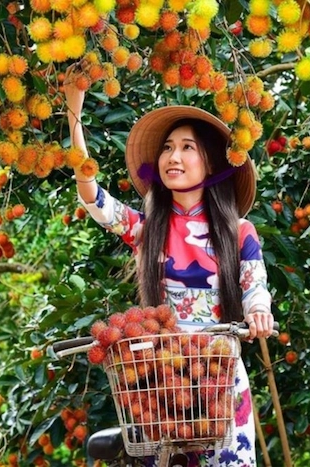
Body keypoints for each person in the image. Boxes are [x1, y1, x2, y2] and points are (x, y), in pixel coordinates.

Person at [64, 75, 274, 466]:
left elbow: (254, 286)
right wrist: (74, 113)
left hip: (219, 378)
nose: (172, 157)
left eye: (187, 147)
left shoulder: (239, 232)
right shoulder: (149, 230)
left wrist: (259, 311)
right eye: (167, 148)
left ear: (211, 161)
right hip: (163, 380)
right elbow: (94, 199)